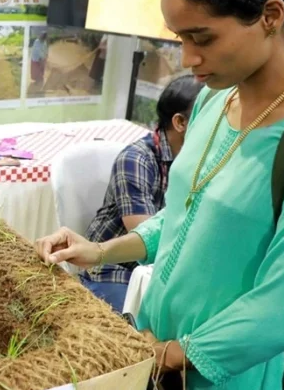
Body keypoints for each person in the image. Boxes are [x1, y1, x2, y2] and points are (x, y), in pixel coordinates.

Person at [35, 0, 284, 390]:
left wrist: (171, 356)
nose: (187, 58)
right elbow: (184, 216)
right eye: (180, 37)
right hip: (159, 356)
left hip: (230, 382)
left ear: (271, 16)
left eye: (202, 38)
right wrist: (100, 252)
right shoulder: (217, 100)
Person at [81, 75, 203, 313]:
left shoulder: (201, 161)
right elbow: (145, 233)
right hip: (116, 267)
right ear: (180, 123)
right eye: (211, 117)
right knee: (132, 336)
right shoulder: (137, 158)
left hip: (163, 268)